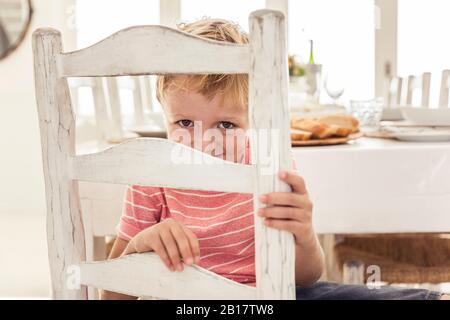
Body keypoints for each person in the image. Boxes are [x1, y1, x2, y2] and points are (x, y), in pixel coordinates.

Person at [100, 18, 448, 300]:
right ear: (165, 115)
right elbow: (111, 297)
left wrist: (304, 235)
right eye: (184, 123)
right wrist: (138, 246)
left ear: (254, 117)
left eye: (226, 124)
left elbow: (307, 277)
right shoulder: (151, 173)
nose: (202, 143)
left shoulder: (269, 164)